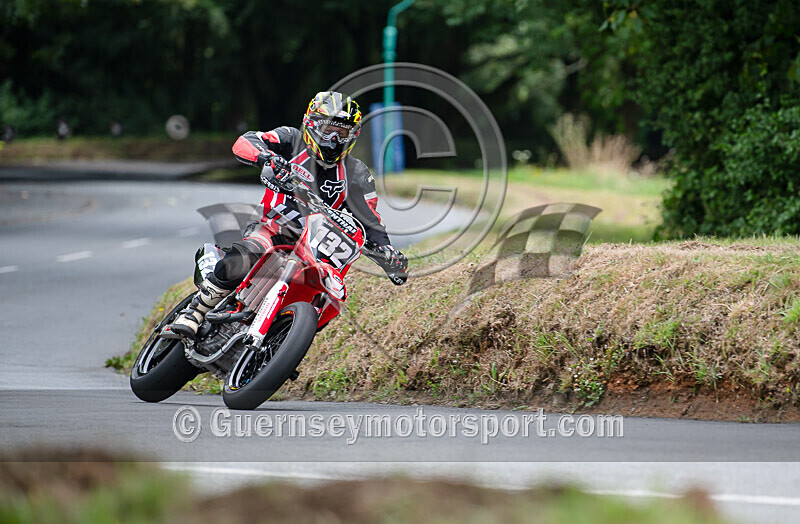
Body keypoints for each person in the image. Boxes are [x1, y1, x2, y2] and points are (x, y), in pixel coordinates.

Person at [165, 91, 408, 339]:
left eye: (342, 133)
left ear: (352, 137)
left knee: (330, 295)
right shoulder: (291, 139)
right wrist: (267, 158)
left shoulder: (357, 173)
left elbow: (369, 221)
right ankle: (196, 310)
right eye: (328, 130)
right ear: (311, 125)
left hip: (317, 250)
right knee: (251, 252)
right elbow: (246, 141)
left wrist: (387, 251)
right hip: (274, 228)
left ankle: (280, 343)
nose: (334, 139)